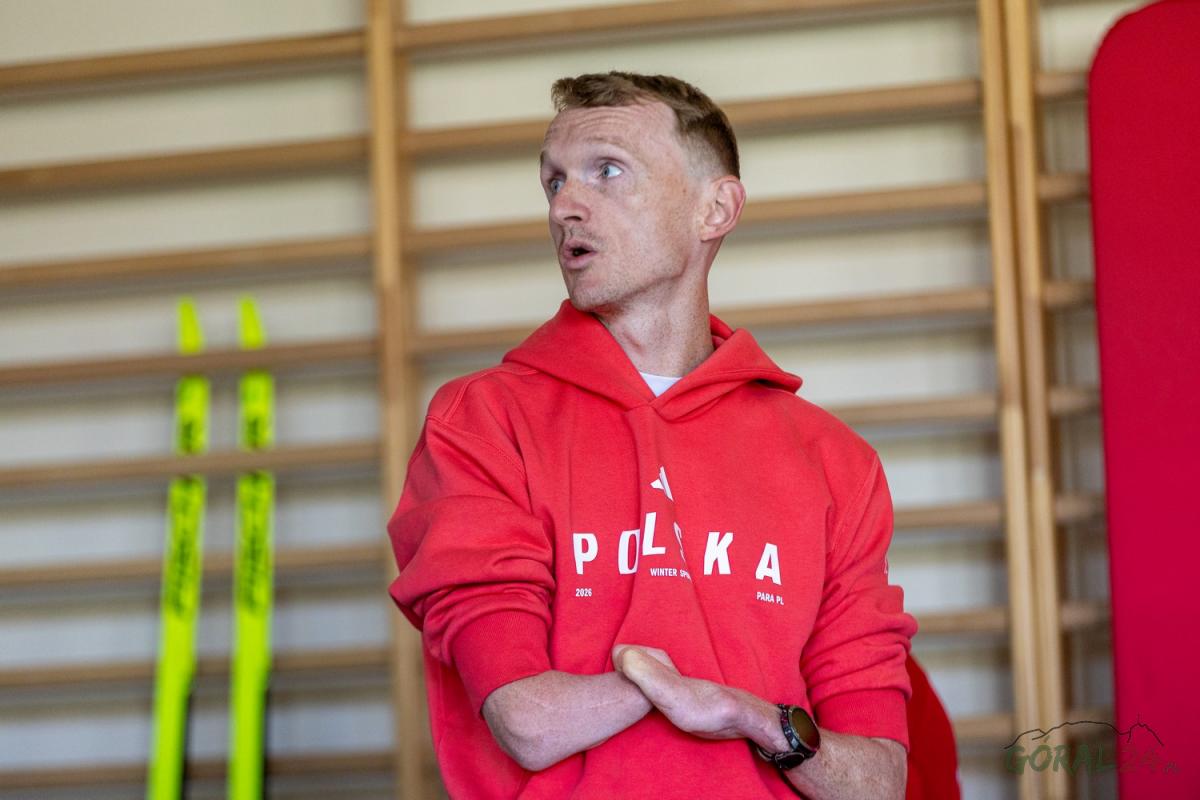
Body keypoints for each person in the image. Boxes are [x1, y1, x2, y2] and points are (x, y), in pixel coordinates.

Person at [388, 71, 918, 800]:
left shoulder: (835, 462)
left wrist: (742, 713)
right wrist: (668, 690)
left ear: (715, 208)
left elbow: (877, 782)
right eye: (554, 182)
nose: (565, 206)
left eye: (607, 171)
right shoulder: (481, 423)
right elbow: (528, 720)